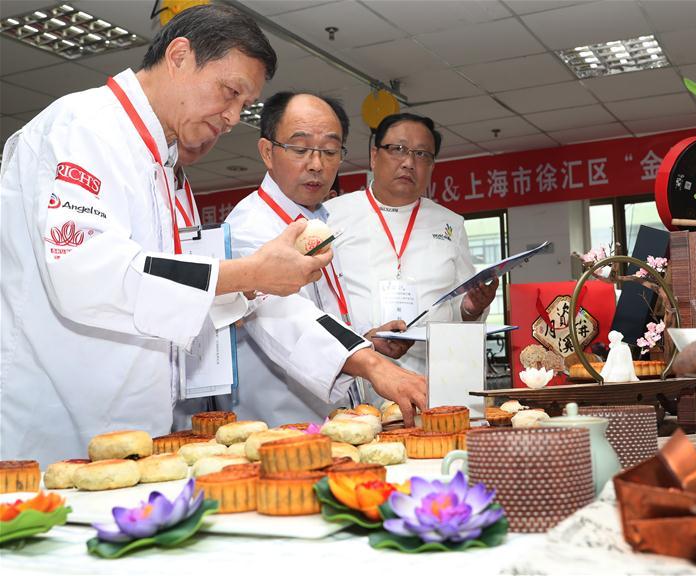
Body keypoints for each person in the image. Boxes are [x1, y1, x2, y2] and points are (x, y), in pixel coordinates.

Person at [0, 5, 331, 465]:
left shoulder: (161, 164)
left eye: (244, 104)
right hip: (62, 430)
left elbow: (161, 293)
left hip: (135, 427)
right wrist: (244, 272)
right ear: (179, 56)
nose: (234, 116)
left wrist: (252, 282)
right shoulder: (84, 127)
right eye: (230, 92)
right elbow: (90, 274)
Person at [224, 92, 426, 426]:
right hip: (278, 423)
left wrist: (365, 339)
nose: (317, 164)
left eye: (330, 151)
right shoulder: (249, 227)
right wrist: (371, 364)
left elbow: (323, 312)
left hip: (334, 418)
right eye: (300, 149)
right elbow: (286, 317)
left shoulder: (319, 221)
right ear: (267, 152)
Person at [326, 113, 499, 379]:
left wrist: (471, 308)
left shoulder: (449, 224)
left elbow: (460, 308)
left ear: (431, 166)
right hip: (357, 373)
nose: (409, 162)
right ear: (374, 156)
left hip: (433, 374)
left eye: (422, 155)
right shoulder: (331, 216)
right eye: (398, 149)